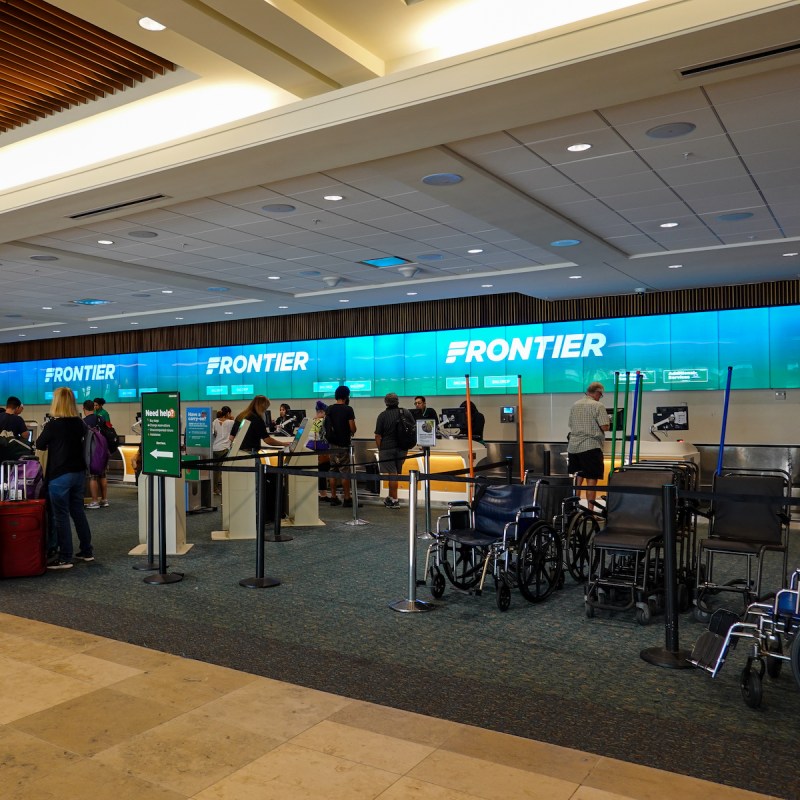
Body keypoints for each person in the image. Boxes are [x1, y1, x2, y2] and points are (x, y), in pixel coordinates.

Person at [36, 387, 94, 569]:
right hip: (79, 474)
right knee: (78, 512)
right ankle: (87, 551)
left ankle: (65, 557)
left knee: (61, 516)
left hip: (60, 475)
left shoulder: (53, 425)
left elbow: (40, 444)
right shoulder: (80, 423)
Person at [567, 381, 610, 513]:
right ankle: (590, 512)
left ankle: (574, 511)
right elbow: (605, 427)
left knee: (577, 480)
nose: (600, 397)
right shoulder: (598, 406)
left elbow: (570, 424)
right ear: (597, 392)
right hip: (590, 447)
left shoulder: (575, 405)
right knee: (591, 481)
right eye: (600, 395)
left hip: (573, 447)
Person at [374, 392, 412, 509]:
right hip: (402, 448)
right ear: (398, 401)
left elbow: (378, 436)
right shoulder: (405, 412)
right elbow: (413, 428)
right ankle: (390, 498)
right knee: (395, 473)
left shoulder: (382, 416)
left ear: (386, 402)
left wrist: (381, 449)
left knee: (392, 474)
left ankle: (395, 500)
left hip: (387, 448)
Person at [326, 385, 356, 507]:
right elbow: (352, 428)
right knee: (345, 471)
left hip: (332, 445)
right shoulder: (348, 409)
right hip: (343, 445)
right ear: (346, 396)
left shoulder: (329, 409)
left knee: (333, 470)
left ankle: (333, 497)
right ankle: (347, 498)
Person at [82, 399, 109, 508]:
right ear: (94, 408)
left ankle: (94, 501)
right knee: (102, 474)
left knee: (92, 476)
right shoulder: (101, 418)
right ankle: (104, 499)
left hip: (91, 451)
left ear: (83, 409)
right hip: (103, 449)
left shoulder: (84, 422)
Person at [310, 400, 331, 502]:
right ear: (322, 411)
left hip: (311, 447)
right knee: (323, 470)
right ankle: (323, 494)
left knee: (317, 471)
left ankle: (320, 493)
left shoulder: (312, 421)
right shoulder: (323, 421)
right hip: (322, 448)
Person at [212, 406, 234, 494]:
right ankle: (222, 488)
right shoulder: (231, 422)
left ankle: (214, 488)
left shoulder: (215, 421)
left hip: (215, 448)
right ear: (228, 413)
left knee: (215, 470)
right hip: (224, 449)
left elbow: (213, 433)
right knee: (223, 470)